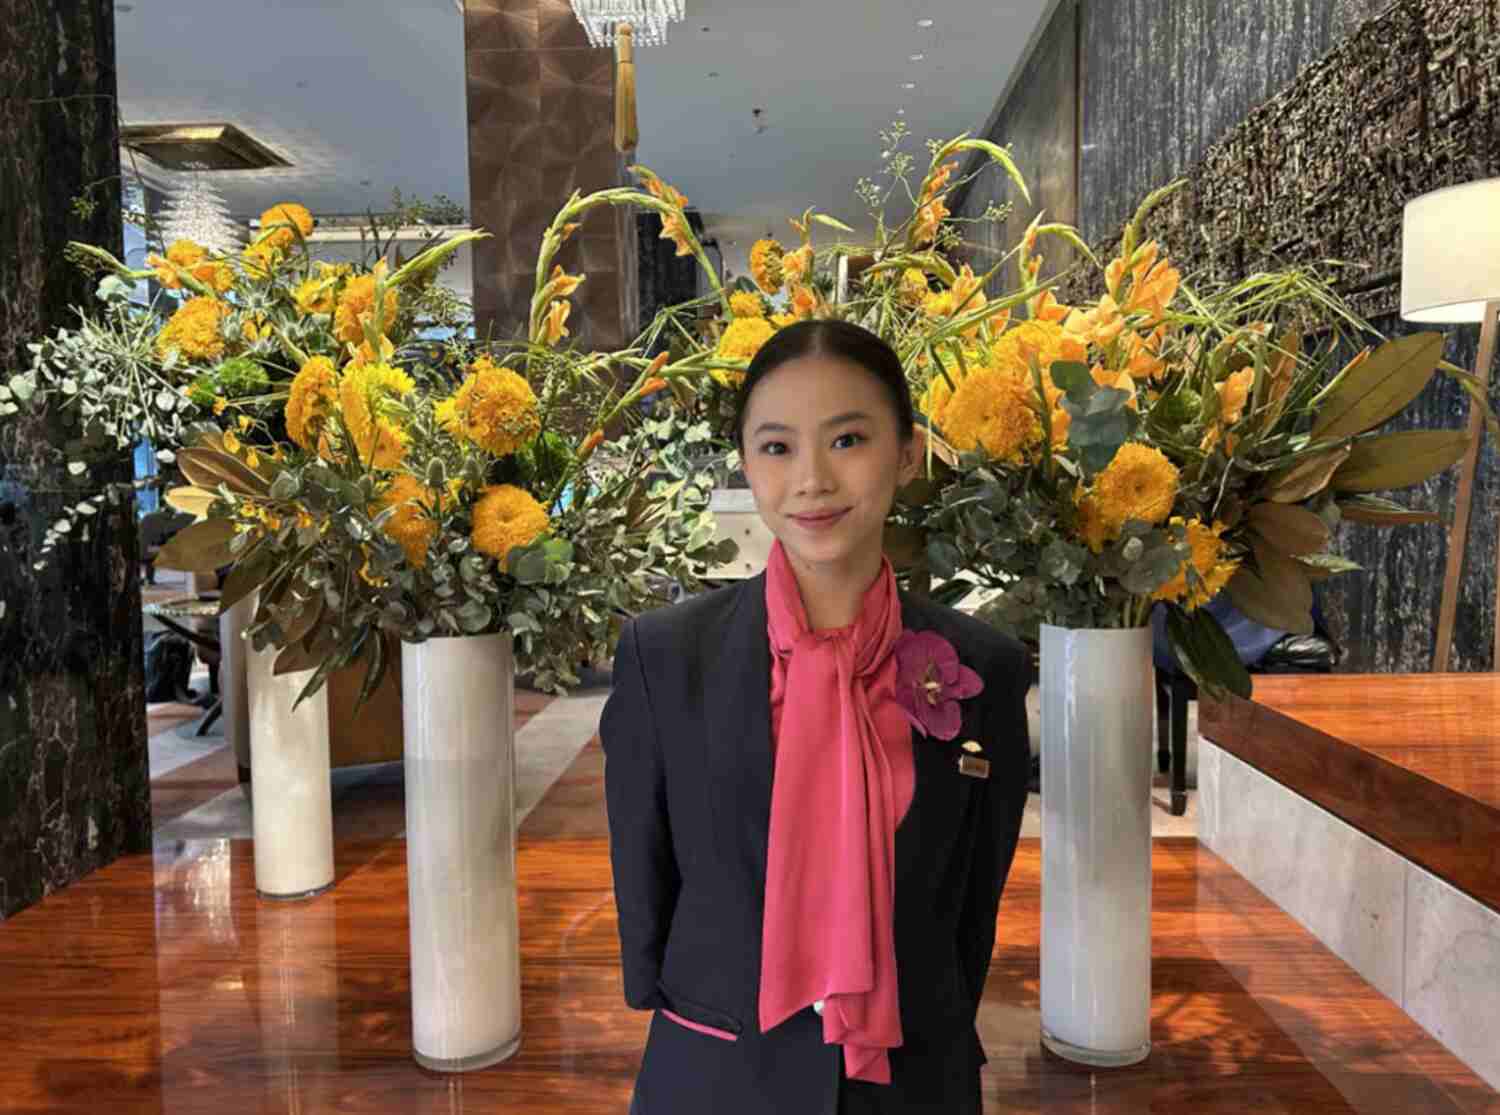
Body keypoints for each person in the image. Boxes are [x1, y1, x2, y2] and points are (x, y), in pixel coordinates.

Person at [601, 320, 1031, 1114]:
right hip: (717, 1069)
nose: (811, 479)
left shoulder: (984, 670)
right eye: (777, 447)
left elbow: (973, 907)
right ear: (745, 463)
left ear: (908, 451)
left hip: (913, 1080)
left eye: (848, 440)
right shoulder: (666, 657)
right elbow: (644, 881)